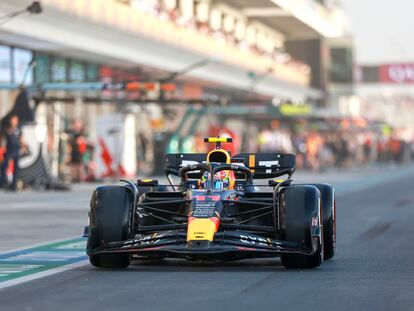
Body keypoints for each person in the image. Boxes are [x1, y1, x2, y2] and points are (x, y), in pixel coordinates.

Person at [0, 115, 23, 191]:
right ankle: (2, 183)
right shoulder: (7, 129)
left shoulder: (19, 129)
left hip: (16, 150)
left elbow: (21, 139)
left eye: (16, 120)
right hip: (9, 150)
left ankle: (14, 186)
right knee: (5, 167)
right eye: (13, 120)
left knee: (16, 169)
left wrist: (24, 146)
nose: (14, 122)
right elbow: (3, 138)